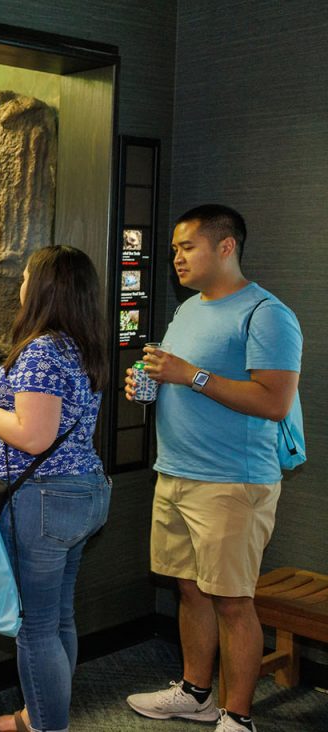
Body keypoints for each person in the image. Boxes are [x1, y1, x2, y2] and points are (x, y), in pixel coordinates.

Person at [124, 205, 301, 732]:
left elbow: (274, 401)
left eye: (187, 247)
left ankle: (238, 717)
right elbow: (179, 378)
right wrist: (149, 385)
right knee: (189, 588)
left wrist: (191, 375)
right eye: (175, 249)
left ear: (225, 247)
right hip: (176, 471)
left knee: (232, 600)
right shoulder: (188, 309)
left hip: (233, 480)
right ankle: (196, 693)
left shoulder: (267, 313)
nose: (176, 257)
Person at [0, 245, 111, 732]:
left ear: (43, 287)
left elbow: (34, 434)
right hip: (82, 493)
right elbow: (40, 406)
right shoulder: (78, 345)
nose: (19, 283)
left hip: (44, 499)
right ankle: (37, 717)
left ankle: (46, 726)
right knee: (59, 616)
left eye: (25, 276)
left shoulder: (42, 348)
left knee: (35, 627)